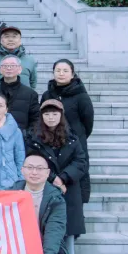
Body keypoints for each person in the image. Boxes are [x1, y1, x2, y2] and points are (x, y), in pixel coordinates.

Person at [25, 99, 88, 254]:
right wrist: (52, 178)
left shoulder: (72, 137)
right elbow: (32, 160)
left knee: (67, 232)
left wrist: (64, 177)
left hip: (69, 189)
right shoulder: (34, 137)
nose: (50, 117)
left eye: (54, 114)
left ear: (61, 116)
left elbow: (81, 161)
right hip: (43, 185)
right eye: (46, 114)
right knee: (43, 229)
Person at [10, 154, 72, 254]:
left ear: (48, 172)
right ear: (22, 170)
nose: (34, 172)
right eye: (30, 167)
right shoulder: (11, 192)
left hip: (43, 242)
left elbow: (54, 231)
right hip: (19, 242)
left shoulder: (56, 198)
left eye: (39, 168)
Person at [42, 59, 94, 218]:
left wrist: (77, 135)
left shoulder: (81, 96)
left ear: (72, 74)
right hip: (51, 141)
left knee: (76, 175)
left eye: (65, 71)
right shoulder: (47, 94)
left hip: (75, 142)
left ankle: (77, 213)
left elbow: (88, 122)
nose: (61, 74)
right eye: (58, 70)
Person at [0, 55, 40, 132]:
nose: (9, 68)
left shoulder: (30, 94)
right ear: (0, 70)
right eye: (5, 66)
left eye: (13, 65)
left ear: (20, 69)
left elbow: (36, 119)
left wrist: (26, 135)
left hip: (21, 136)